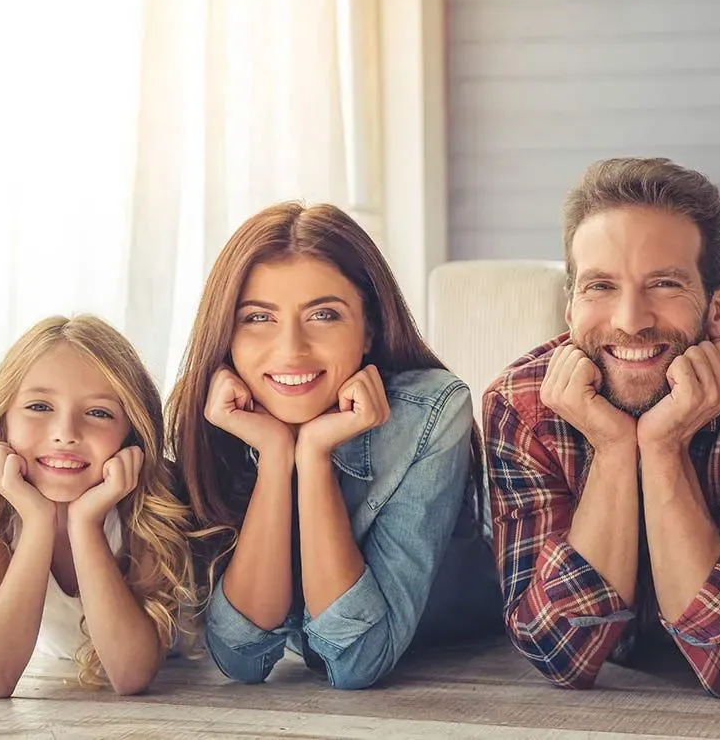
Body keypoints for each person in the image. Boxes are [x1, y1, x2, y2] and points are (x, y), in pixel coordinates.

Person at [483, 158, 720, 698]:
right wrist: (612, 448)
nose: (630, 319)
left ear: (718, 308)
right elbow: (557, 649)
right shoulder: (518, 405)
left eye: (665, 284)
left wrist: (663, 445)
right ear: (570, 307)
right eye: (600, 285)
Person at [167, 201, 501, 689]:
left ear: (368, 328)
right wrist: (278, 456)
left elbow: (357, 662)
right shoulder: (225, 417)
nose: (291, 349)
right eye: (259, 318)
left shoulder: (430, 412)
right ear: (227, 335)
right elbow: (241, 657)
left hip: (464, 657)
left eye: (323, 315)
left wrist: (315, 455)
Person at [0, 315, 196, 697]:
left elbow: (130, 674)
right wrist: (37, 522)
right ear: (1, 422)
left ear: (131, 434)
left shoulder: (146, 513)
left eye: (99, 413)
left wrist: (85, 525)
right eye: (39, 406)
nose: (66, 433)